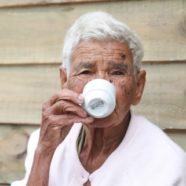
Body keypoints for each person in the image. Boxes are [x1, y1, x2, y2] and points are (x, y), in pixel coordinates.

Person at [12, 11, 186, 186]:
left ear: (138, 87)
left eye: (117, 72)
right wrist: (44, 151)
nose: (101, 84)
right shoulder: (45, 142)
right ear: (64, 81)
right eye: (86, 72)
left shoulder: (167, 165)